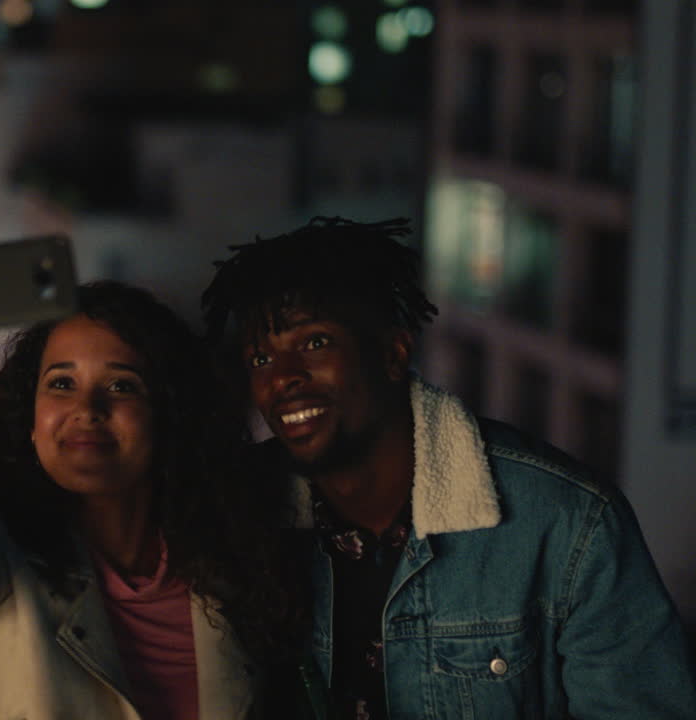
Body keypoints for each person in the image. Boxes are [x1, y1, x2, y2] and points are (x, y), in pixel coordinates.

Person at [200, 216, 696, 719]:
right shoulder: (241, 513)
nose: (283, 377)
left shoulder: (567, 523)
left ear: (394, 352)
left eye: (314, 343)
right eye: (260, 359)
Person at [0, 242, 307, 720]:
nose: (86, 409)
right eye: (61, 383)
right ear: (29, 412)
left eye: (121, 385)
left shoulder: (232, 554)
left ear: (170, 412)